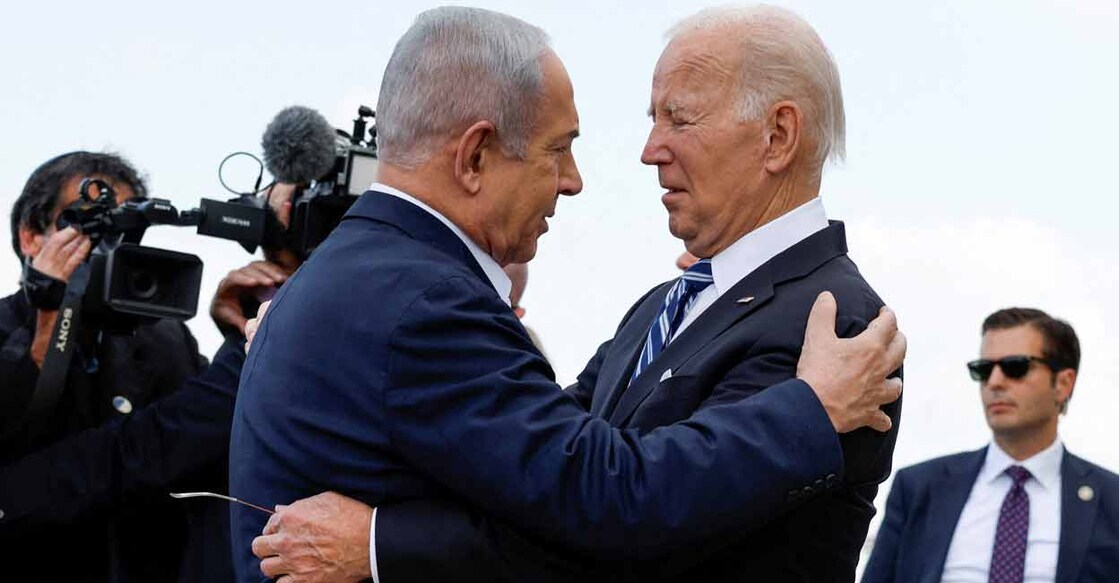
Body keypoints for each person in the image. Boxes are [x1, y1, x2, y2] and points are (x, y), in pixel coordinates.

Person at [231, 6, 904, 583]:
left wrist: (381, 544)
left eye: (679, 119)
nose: (648, 150)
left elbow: (617, 527)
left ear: (777, 135)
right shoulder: (657, 308)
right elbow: (567, 487)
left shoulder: (838, 330)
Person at [0, 152, 298, 582]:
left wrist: (243, 325)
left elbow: (197, 436)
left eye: (125, 230)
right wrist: (51, 317)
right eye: (88, 225)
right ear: (31, 236)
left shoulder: (163, 340)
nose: (108, 247)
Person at [862, 308, 1119, 582]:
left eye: (1015, 367)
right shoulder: (918, 489)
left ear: (1064, 383)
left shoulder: (1112, 501)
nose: (995, 382)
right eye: (983, 370)